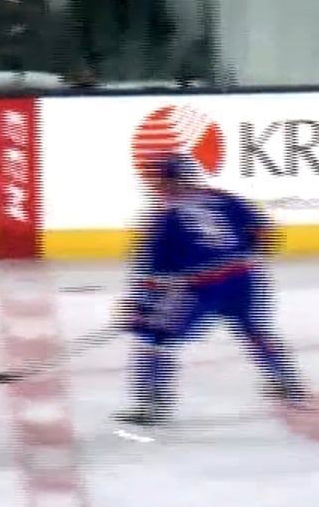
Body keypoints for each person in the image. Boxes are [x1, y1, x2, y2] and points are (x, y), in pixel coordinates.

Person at [115, 154, 306, 428]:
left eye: (158, 178)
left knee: (155, 339)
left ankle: (151, 403)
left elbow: (153, 272)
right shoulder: (225, 198)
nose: (154, 184)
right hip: (244, 277)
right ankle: (287, 381)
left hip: (201, 286)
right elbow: (265, 233)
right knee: (255, 330)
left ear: (168, 180)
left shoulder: (164, 216)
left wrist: (140, 307)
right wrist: (244, 258)